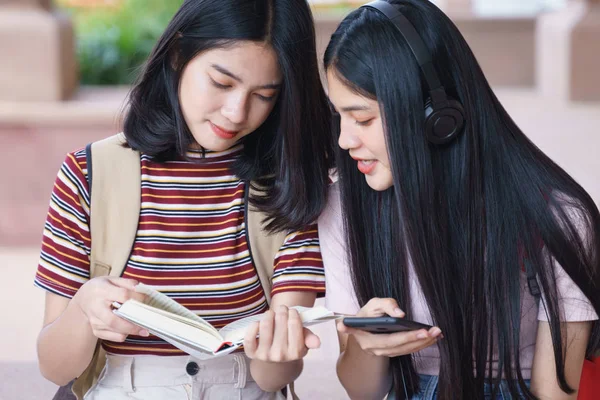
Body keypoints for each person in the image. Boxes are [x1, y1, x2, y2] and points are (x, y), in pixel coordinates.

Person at [34, 0, 334, 398]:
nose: (236, 111)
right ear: (177, 53)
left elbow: (272, 377)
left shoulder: (289, 183)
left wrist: (280, 349)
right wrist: (84, 308)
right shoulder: (88, 174)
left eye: (263, 95)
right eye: (222, 83)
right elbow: (55, 368)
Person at [319, 0, 600, 398]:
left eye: (363, 119)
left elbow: (555, 392)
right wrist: (367, 346)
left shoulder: (560, 218)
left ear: (438, 115)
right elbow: (363, 391)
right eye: (339, 117)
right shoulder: (346, 205)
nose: (345, 140)